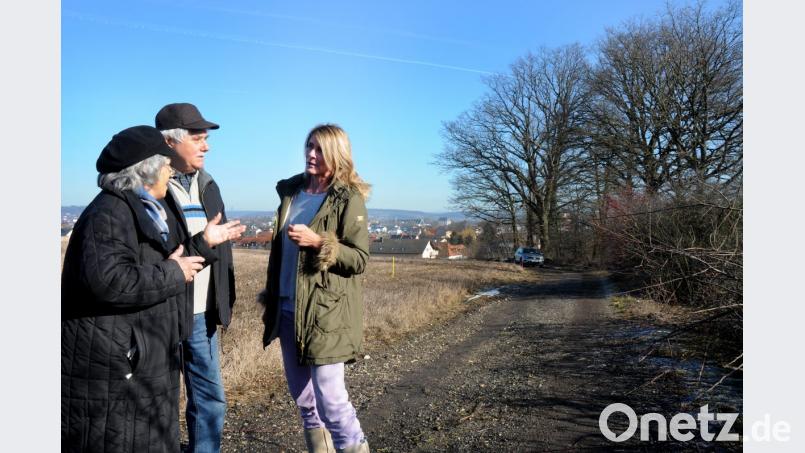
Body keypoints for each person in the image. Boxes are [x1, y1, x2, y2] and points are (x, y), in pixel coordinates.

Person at [61, 125, 242, 452]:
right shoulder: (110, 213)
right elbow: (111, 282)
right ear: (145, 172)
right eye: (165, 164)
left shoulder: (141, 208)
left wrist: (201, 244)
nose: (170, 170)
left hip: (139, 360)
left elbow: (160, 264)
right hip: (117, 369)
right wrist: (173, 272)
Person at [259, 124, 372, 453]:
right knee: (305, 402)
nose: (311, 154)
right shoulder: (291, 194)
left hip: (326, 314)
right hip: (286, 311)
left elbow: (359, 258)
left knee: (332, 403)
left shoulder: (347, 198)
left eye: (319, 149)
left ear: (336, 154)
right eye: (309, 146)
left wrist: (319, 242)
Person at [155, 102, 245, 453]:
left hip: (202, 315)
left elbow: (219, 247)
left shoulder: (208, 185)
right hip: (162, 312)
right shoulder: (150, 186)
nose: (206, 146)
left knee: (210, 402)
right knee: (157, 403)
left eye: (206, 138)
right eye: (198, 138)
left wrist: (224, 299)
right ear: (170, 142)